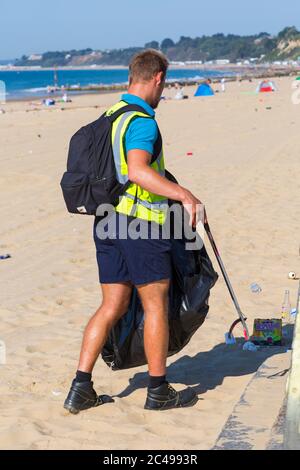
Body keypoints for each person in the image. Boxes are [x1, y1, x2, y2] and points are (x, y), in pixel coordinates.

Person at [64, 49, 202, 414]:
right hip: (140, 225)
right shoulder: (142, 120)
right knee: (154, 303)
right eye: (164, 83)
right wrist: (184, 195)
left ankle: (81, 387)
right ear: (157, 78)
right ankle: (158, 391)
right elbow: (138, 170)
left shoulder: (110, 116)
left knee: (112, 304)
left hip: (107, 221)